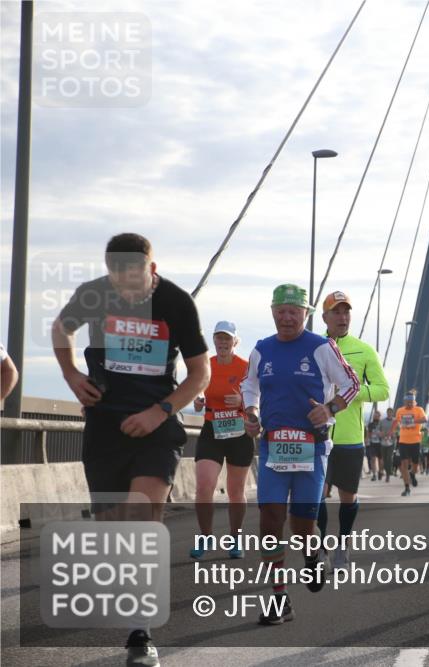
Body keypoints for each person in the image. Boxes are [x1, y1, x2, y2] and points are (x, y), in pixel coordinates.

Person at [51, 233, 210, 666]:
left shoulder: (176, 302)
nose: (124, 283)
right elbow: (60, 329)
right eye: (115, 274)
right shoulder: (93, 294)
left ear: (151, 269)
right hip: (105, 427)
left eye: (133, 274)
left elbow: (200, 374)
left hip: (156, 426)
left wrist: (160, 412)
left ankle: (140, 634)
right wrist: (71, 376)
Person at [241, 284, 359, 624]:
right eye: (281, 311)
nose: (287, 317)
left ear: (306, 314)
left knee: (302, 527)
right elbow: (249, 385)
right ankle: (279, 599)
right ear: (273, 312)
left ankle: (313, 554)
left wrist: (329, 408)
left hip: (312, 446)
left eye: (294, 311)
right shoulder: (262, 349)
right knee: (269, 521)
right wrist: (251, 413)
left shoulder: (321, 347)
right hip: (272, 446)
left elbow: (351, 384)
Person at [314, 290, 389, 568]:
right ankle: (321, 547)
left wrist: (351, 392)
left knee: (348, 497)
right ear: (325, 317)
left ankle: (343, 545)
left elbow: (382, 390)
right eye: (336, 311)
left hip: (349, 438)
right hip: (318, 435)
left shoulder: (364, 350)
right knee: (317, 494)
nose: (342, 317)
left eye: (346, 311)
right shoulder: (313, 347)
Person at [190, 321, 253, 560]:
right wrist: (198, 401)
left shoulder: (246, 367)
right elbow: (197, 389)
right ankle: (205, 536)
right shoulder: (207, 365)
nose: (223, 342)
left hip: (239, 432)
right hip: (212, 429)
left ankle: (235, 538)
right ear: (214, 340)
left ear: (235, 341)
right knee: (204, 486)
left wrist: (242, 402)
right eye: (219, 338)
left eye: (227, 338)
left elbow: (259, 398)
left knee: (236, 491)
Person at [391, 391, 427, 496]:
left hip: (415, 441)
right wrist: (391, 432)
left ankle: (412, 474)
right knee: (404, 465)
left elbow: (425, 419)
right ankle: (407, 488)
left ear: (414, 401)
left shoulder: (419, 409)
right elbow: (396, 421)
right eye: (408, 402)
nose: (410, 404)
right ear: (404, 401)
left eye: (412, 402)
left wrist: (412, 421)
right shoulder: (400, 410)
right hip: (403, 441)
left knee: (415, 464)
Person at [366, 410, 385, 481]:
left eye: (377, 415)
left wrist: (381, 434)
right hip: (372, 443)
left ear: (379, 416)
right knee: (373, 459)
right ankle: (374, 474)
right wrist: (367, 440)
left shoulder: (382, 423)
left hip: (380, 444)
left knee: (380, 459)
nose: (375, 416)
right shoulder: (370, 424)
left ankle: (380, 471)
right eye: (374, 415)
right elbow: (368, 433)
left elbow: (384, 433)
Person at [379, 407, 396, 482]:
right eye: (388, 412)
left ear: (392, 413)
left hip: (391, 442)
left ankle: (388, 475)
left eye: (391, 412)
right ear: (387, 413)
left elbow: (399, 430)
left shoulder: (395, 421)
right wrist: (381, 434)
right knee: (384, 459)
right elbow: (378, 430)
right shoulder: (382, 421)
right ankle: (381, 471)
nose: (389, 413)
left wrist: (394, 434)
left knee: (389, 458)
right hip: (383, 442)